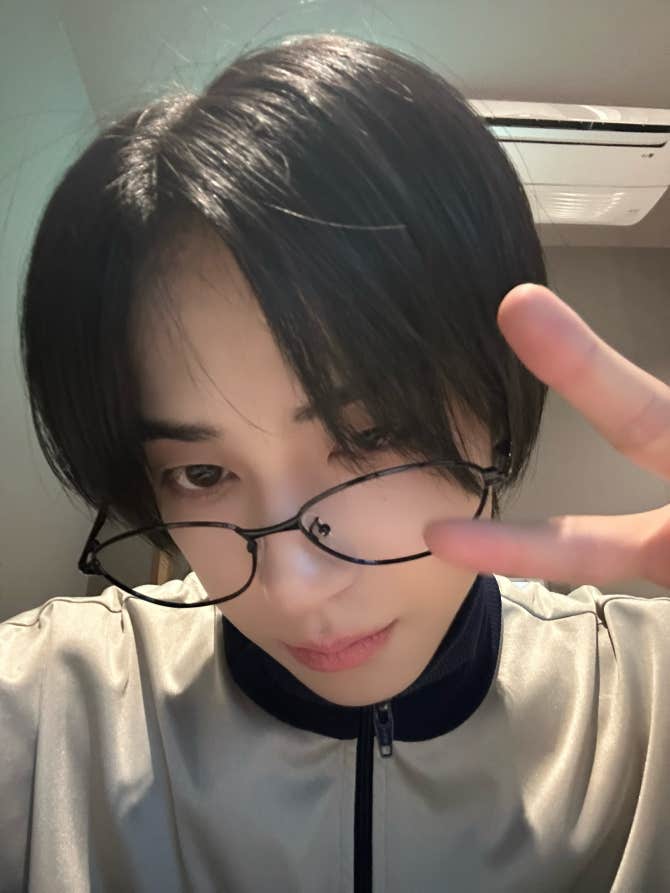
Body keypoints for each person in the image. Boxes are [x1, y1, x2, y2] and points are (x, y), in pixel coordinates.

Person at [2, 32, 668, 893]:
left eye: (370, 435)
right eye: (201, 474)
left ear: (495, 401)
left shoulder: (643, 705)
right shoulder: (56, 706)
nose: (295, 584)